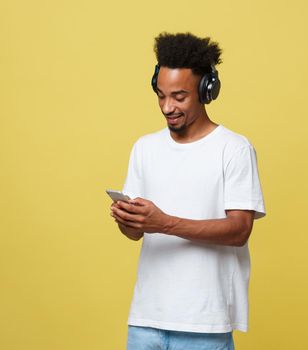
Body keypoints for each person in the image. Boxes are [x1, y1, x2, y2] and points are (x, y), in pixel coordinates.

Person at [110, 32, 266, 350]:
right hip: (145, 320)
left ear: (207, 91)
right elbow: (137, 234)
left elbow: (239, 230)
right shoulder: (144, 148)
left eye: (179, 97)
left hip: (204, 323)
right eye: (161, 95)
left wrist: (164, 222)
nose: (168, 107)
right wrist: (129, 220)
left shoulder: (234, 149)